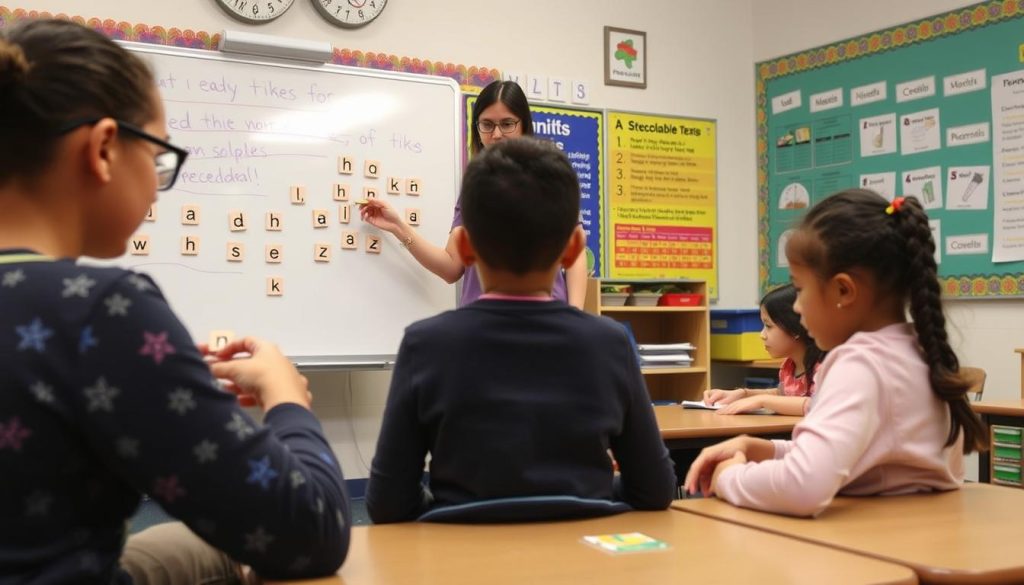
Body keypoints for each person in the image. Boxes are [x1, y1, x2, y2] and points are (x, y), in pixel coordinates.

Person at [0, 19, 349, 583]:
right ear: (104, 149)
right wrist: (286, 394)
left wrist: (158, 373)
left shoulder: (97, 326)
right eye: (160, 159)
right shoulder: (102, 311)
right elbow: (311, 530)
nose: (161, 183)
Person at [365, 137, 676, 523]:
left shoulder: (425, 345)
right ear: (573, 248)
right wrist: (591, 496)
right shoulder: (610, 344)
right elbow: (654, 489)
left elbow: (387, 502)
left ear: (464, 247)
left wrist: (448, 510)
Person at [684, 190, 989, 517]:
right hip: (909, 539)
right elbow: (852, 456)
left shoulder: (859, 363)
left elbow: (803, 486)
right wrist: (764, 449)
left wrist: (730, 476)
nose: (797, 308)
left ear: (843, 290)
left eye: (800, 290)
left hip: (872, 552)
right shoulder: (919, 350)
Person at [359, 80, 588, 308]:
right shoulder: (475, 188)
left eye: (507, 124)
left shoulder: (550, 179)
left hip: (545, 323)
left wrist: (576, 316)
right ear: (477, 129)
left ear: (524, 126)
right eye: (487, 125)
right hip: (481, 326)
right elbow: (451, 268)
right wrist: (399, 227)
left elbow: (575, 253)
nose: (496, 134)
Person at [703, 284, 825, 416]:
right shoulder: (789, 366)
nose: (762, 334)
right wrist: (742, 394)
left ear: (795, 328)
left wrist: (762, 401)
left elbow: (816, 405)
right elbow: (782, 394)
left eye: (768, 326)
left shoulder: (823, 367)